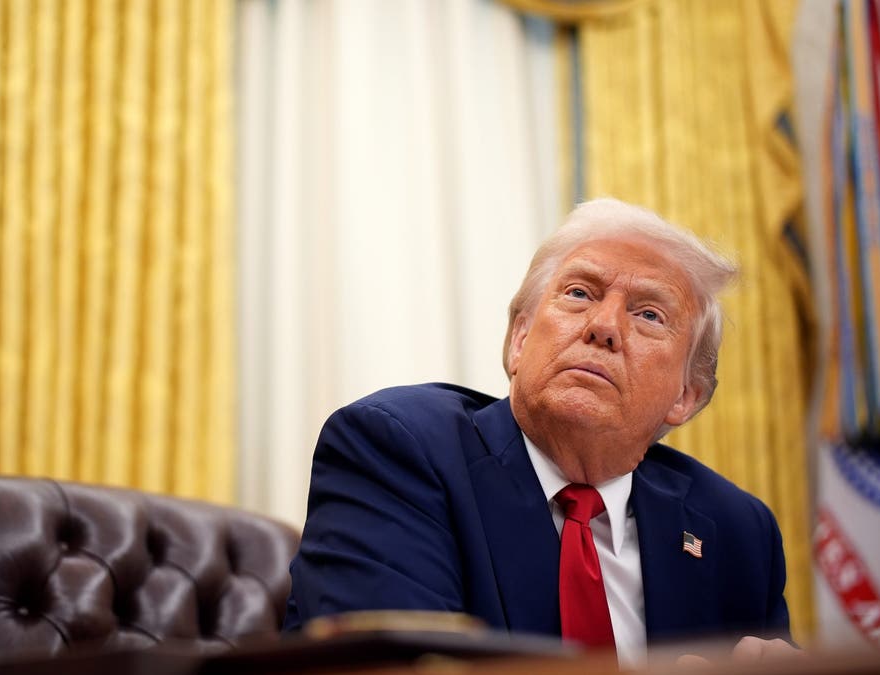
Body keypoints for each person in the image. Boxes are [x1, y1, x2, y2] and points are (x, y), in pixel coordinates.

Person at [284, 198, 801, 666]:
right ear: (519, 339)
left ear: (686, 395)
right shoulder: (397, 451)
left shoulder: (735, 530)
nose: (604, 326)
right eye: (579, 293)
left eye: (648, 314)